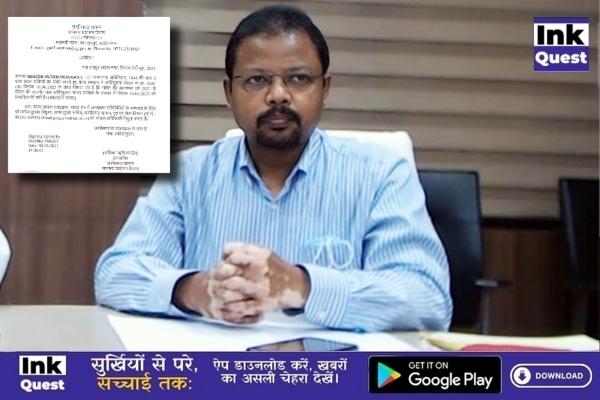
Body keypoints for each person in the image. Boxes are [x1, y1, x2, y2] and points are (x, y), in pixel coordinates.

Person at [95, 5, 452, 332]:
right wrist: (197, 291)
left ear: (325, 88)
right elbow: (116, 273)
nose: (278, 95)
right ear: (228, 93)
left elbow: (428, 297)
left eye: (298, 79)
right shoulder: (189, 174)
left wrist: (301, 286)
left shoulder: (381, 173)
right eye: (257, 80)